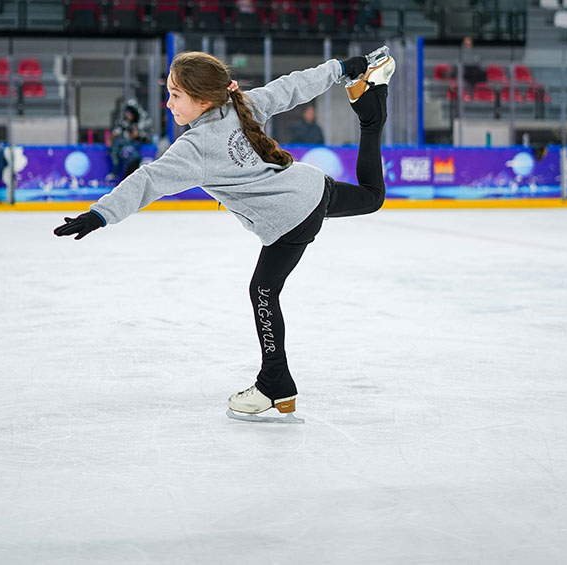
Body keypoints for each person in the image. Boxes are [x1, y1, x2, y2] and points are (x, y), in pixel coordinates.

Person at [54, 47, 395, 421]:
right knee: (372, 197)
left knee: (263, 291)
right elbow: (294, 86)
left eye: (175, 95)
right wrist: (342, 67)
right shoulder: (240, 105)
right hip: (312, 188)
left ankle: (275, 384)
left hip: (291, 220)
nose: (168, 103)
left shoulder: (195, 148)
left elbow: (147, 180)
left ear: (203, 100)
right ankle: (371, 106)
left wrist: (100, 214)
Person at [107, 98, 153, 181]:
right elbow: (116, 132)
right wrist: (112, 138)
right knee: (117, 148)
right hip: (126, 146)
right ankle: (115, 173)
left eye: (129, 113)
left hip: (137, 146)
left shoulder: (143, 121)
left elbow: (141, 135)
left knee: (130, 153)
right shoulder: (123, 121)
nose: (127, 115)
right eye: (127, 113)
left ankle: (130, 175)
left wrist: (136, 134)